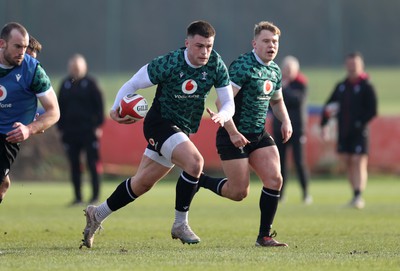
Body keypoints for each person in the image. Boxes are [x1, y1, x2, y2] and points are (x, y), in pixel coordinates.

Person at [79, 20, 235, 249]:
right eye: (199, 46)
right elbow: (132, 84)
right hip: (159, 123)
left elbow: (229, 102)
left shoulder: (216, 64)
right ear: (187, 43)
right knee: (195, 162)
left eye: (209, 47)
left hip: (182, 130)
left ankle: (97, 214)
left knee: (141, 184)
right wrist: (114, 109)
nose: (204, 52)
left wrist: (223, 114)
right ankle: (180, 224)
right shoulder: (169, 62)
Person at [199, 21, 292, 247]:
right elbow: (222, 101)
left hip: (258, 135)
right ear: (255, 43)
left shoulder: (274, 70)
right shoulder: (243, 66)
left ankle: (264, 236)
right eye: (266, 41)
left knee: (275, 179)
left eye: (275, 42)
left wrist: (286, 121)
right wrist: (233, 133)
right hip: (232, 134)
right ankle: (199, 180)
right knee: (238, 192)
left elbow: (277, 101)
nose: (272, 46)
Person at [0, 22, 60, 204]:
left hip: (7, 135)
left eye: (25, 47)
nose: (22, 52)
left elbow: (54, 111)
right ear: (2, 44)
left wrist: (29, 129)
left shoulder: (33, 70)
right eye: (18, 46)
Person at [320, 52, 377, 209]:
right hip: (344, 131)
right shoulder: (341, 86)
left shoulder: (366, 86)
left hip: (360, 131)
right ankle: (354, 193)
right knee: (347, 161)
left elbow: (373, 110)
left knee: (358, 160)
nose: (352, 68)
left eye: (355, 65)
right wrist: (324, 124)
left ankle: (359, 195)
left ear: (361, 66)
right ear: (346, 66)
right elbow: (328, 106)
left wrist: (360, 122)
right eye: (350, 65)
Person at [57, 54, 105, 206]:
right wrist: (60, 128)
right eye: (73, 68)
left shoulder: (91, 84)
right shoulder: (65, 84)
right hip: (70, 132)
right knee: (74, 165)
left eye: (77, 68)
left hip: (89, 131)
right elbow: (59, 108)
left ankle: (95, 196)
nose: (75, 70)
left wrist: (98, 126)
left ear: (84, 68)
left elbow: (100, 106)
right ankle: (78, 197)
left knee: (92, 163)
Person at [272, 55, 311, 204]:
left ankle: (305, 193)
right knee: (280, 162)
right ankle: (281, 194)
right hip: (279, 128)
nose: (287, 71)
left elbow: (298, 100)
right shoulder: (278, 83)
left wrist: (285, 89)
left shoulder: (301, 83)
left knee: (299, 161)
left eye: (290, 69)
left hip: (297, 129)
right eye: (285, 68)